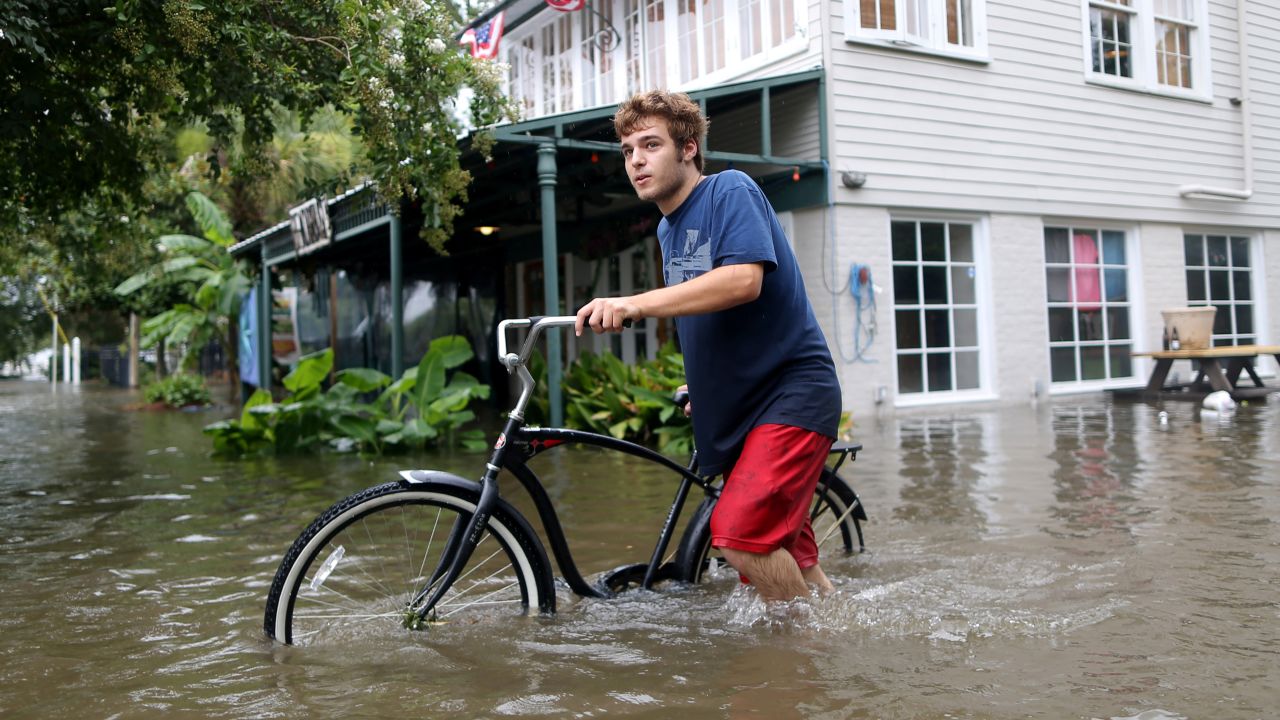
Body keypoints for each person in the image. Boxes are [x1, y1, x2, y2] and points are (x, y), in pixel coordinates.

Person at [574, 90, 842, 601]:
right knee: (792, 557)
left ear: (689, 148)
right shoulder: (666, 227)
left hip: (792, 394)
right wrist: (705, 383)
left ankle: (803, 662)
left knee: (740, 537)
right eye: (628, 150)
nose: (636, 160)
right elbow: (704, 312)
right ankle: (829, 639)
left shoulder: (728, 191)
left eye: (650, 145)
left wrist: (636, 303)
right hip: (742, 403)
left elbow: (742, 281)